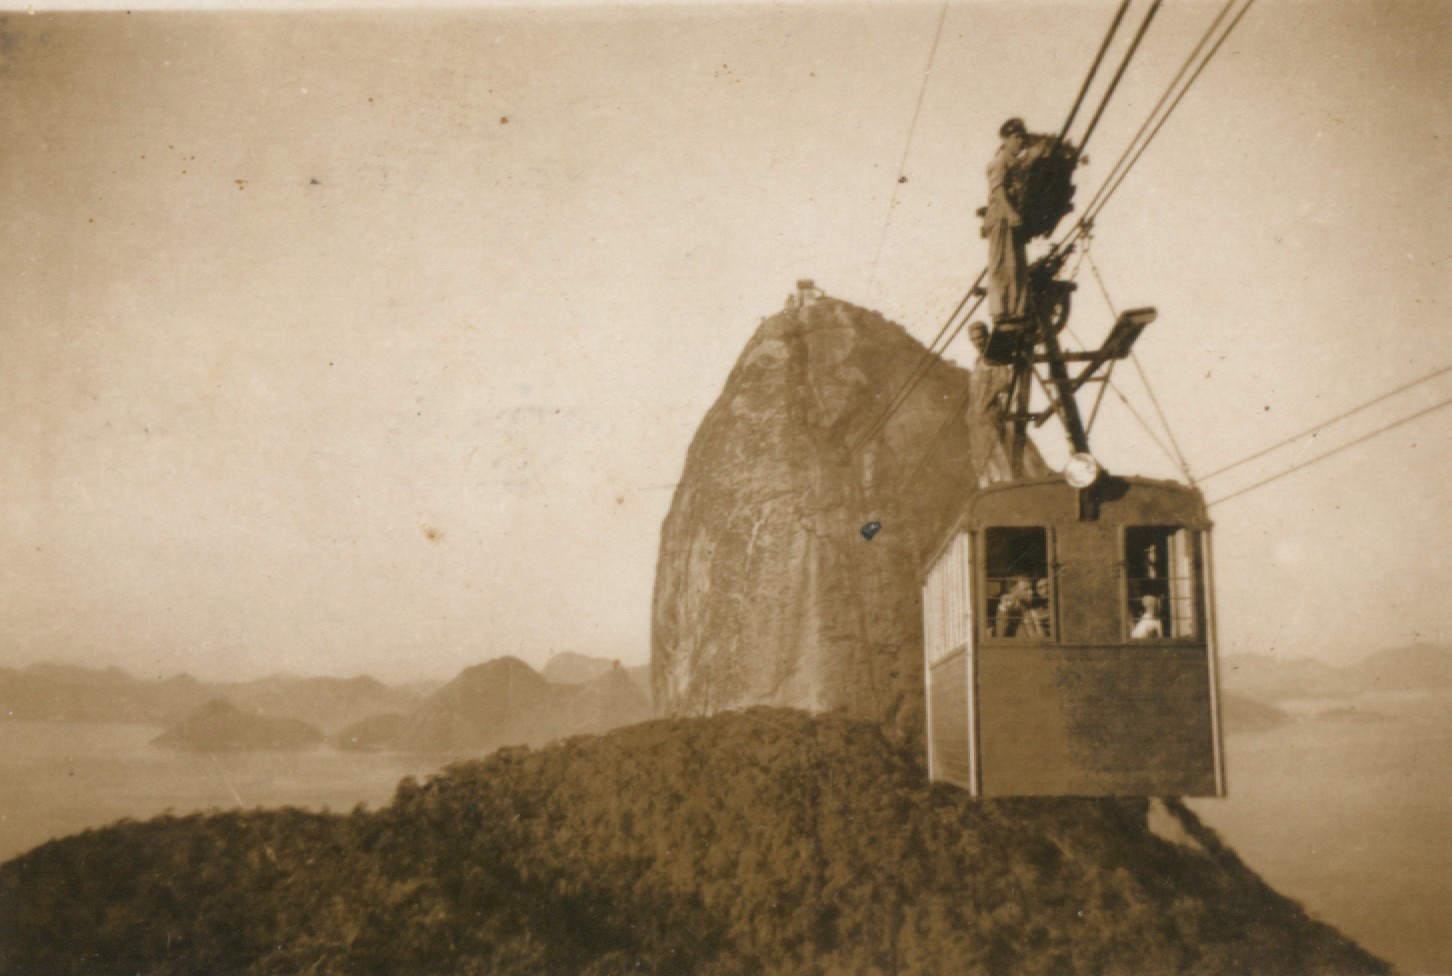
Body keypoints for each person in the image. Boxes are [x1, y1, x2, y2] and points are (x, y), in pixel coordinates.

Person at [983, 118, 1029, 324]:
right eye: (1017, 137)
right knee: (1002, 264)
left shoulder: (1016, 162)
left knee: (1017, 265)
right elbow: (998, 189)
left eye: (1022, 137)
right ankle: (1001, 310)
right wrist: (1011, 213)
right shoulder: (1000, 160)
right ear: (1006, 139)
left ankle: (1015, 309)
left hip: (1013, 219)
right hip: (1002, 218)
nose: (1021, 141)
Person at [967, 321, 1014, 487]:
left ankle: (1006, 490)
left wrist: (987, 402)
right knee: (982, 463)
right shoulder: (977, 363)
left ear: (987, 337)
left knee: (1000, 460)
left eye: (980, 338)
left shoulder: (995, 360)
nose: (978, 342)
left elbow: (1003, 384)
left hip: (990, 418)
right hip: (976, 422)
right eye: (974, 339)